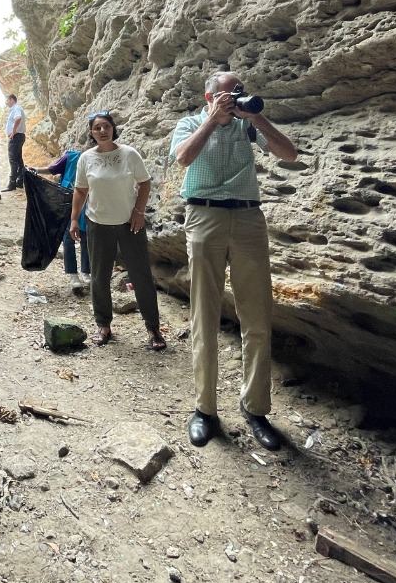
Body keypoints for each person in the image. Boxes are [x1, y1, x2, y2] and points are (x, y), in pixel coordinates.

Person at [169, 71, 297, 451]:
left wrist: (255, 117)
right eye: (226, 94)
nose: (234, 98)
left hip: (247, 217)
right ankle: (205, 409)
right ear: (208, 96)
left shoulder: (248, 126)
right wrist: (212, 120)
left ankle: (256, 409)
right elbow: (183, 157)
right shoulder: (191, 122)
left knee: (257, 315)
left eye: (238, 92)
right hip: (204, 215)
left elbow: (289, 154)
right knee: (204, 314)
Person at [70, 111, 167, 350]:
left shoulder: (129, 154)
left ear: (113, 128)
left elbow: (144, 183)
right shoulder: (86, 158)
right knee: (99, 276)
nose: (102, 131)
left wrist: (139, 212)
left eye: (105, 126)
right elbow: (81, 190)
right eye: (96, 128)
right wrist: (74, 220)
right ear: (91, 133)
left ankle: (153, 328)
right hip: (98, 223)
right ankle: (103, 325)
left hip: (129, 224)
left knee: (141, 275)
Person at [36, 145, 91, 294]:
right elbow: (53, 169)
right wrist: (35, 170)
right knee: (69, 237)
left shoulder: (98, 160)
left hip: (90, 203)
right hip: (68, 201)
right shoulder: (71, 157)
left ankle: (86, 271)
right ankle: (73, 275)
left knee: (87, 236)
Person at [3, 94, 26, 191]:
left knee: (13, 160)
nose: (6, 102)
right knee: (18, 159)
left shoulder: (16, 108)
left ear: (11, 99)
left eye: (7, 100)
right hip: (19, 136)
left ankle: (12, 184)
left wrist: (13, 131)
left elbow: (18, 118)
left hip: (16, 137)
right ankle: (19, 181)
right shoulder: (17, 108)